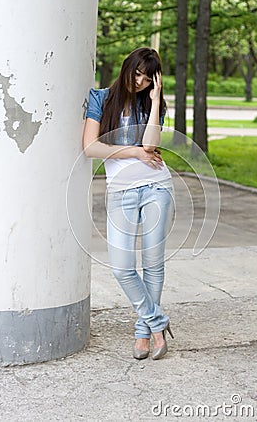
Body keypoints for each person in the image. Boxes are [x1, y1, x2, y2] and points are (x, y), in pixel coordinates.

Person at [83, 47, 175, 360]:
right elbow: (90, 147)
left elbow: (151, 144)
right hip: (121, 191)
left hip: (156, 189)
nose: (140, 82)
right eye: (137, 73)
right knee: (122, 267)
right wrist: (134, 153)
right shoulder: (101, 98)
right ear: (127, 68)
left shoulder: (154, 102)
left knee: (152, 264)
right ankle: (157, 322)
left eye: (148, 78)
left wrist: (154, 100)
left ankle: (143, 334)